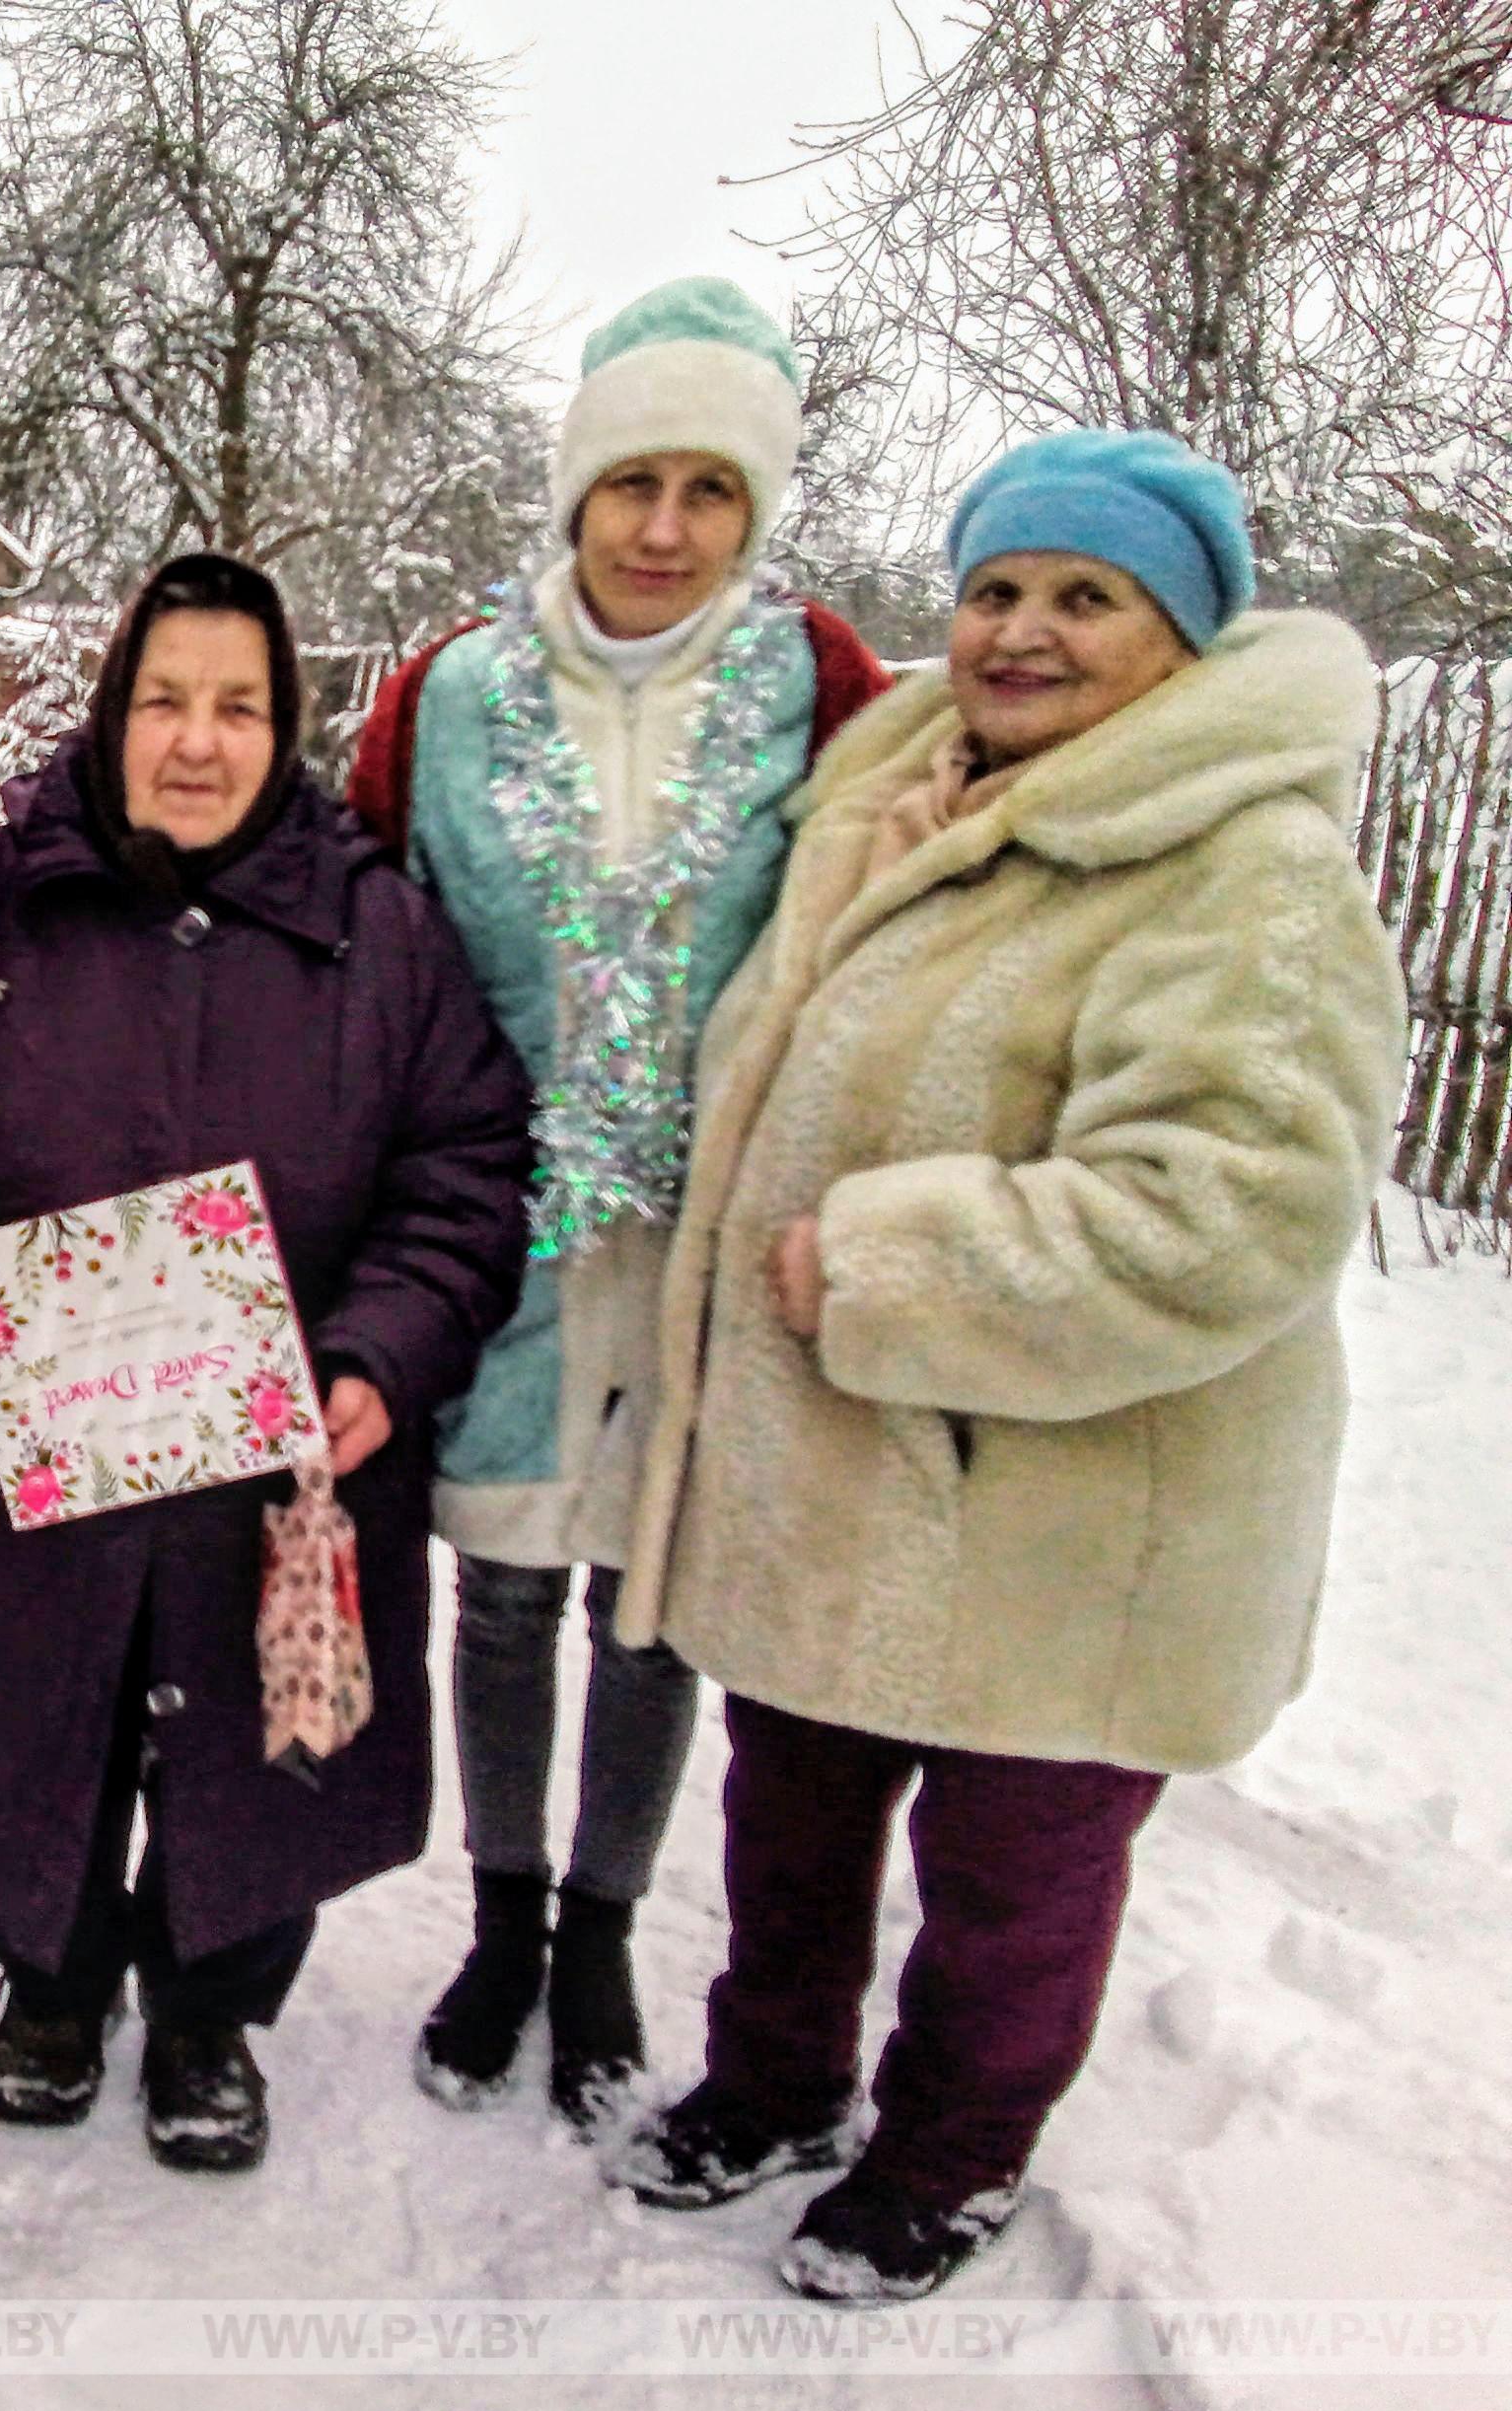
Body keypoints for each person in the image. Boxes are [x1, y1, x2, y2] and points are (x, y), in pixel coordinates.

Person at [607, 429, 1405, 2301]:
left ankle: (948, 2159)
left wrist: (885, 1263)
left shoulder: (1246, 871)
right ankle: (776, 2083)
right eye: (995, 590)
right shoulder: (893, 805)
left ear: (1183, 638)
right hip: (842, 1473)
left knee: (1012, 1875)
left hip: (1075, 1518)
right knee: (786, 1817)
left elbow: (1235, 1211)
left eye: (1084, 598)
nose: (1022, 633)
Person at [0, 551, 534, 2173]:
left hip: (287, 1473)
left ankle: (213, 2013)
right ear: (112, 710)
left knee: (264, 1749)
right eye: (164, 701)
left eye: (239, 706)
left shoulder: (384, 938)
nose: (197, 742)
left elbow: (469, 1167)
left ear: (288, 728)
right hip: (28, 1455)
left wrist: (380, 1350)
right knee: (30, 1717)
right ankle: (51, 1989)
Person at [341, 277, 891, 2130]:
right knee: (502, 1597)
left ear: (756, 510)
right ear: (574, 493)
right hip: (501, 1227)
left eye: (710, 491)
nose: (666, 529)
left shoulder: (821, 695)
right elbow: (365, 940)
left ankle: (600, 1931)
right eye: (633, 482)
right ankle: (502, 1924)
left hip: (705, 1240)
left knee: (648, 1608)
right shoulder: (460, 695)